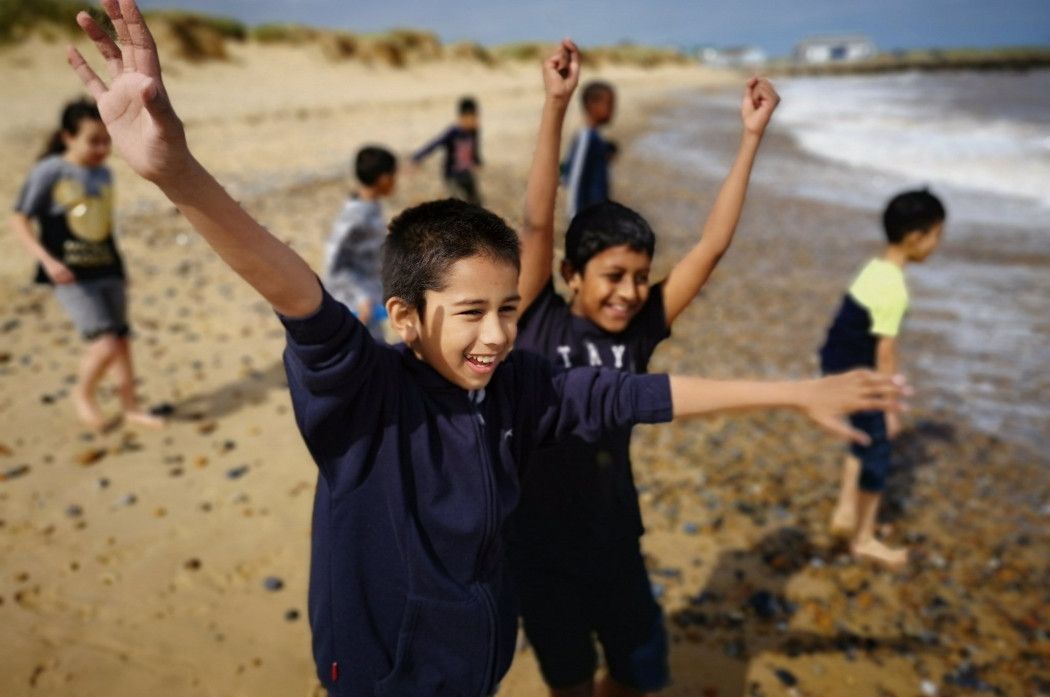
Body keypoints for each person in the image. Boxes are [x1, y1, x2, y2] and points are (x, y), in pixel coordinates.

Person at [66, 6, 905, 695]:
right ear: (405, 316)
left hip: (480, 665)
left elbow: (630, 397)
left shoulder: (519, 385)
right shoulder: (366, 396)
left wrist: (795, 392)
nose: (499, 332)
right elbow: (297, 294)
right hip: (380, 678)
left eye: (509, 308)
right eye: (471, 312)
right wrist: (177, 173)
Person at [513, 43, 787, 696]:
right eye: (613, 276)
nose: (630, 292)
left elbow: (711, 247)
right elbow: (535, 220)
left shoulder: (640, 329)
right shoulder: (533, 319)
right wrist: (556, 104)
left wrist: (750, 138)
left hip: (615, 542)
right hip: (535, 549)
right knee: (570, 680)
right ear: (571, 276)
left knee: (639, 674)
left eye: (640, 277)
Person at [9, 97, 163, 431]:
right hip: (70, 274)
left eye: (107, 140)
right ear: (68, 137)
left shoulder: (105, 173)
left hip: (107, 267)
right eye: (94, 140)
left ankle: (131, 406)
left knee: (121, 340)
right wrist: (47, 262)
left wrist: (121, 270)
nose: (102, 148)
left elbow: (103, 227)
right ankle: (83, 394)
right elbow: (20, 218)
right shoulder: (50, 170)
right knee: (104, 343)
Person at [821, 189, 945, 569]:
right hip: (859, 371)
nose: (937, 245)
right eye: (937, 236)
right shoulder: (894, 287)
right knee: (878, 450)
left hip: (836, 360)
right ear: (916, 238)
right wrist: (889, 405)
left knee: (861, 436)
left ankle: (846, 514)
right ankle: (864, 538)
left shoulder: (874, 268)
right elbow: (885, 352)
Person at [324, 145, 397, 341]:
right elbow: (333, 261)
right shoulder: (355, 216)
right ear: (383, 179)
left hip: (370, 300)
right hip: (354, 308)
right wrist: (360, 298)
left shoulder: (371, 207)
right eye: (393, 176)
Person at [411, 95, 483, 204]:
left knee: (476, 200)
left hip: (466, 172)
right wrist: (418, 156)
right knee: (458, 202)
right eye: (471, 118)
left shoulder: (474, 131)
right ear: (462, 117)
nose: (473, 121)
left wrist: (477, 159)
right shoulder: (453, 132)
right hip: (452, 175)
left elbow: (475, 147)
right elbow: (435, 143)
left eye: (476, 118)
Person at [562, 80, 615, 221]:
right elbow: (573, 179)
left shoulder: (595, 137)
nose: (612, 110)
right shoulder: (585, 138)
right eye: (609, 104)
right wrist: (574, 217)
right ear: (592, 105)